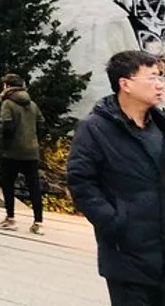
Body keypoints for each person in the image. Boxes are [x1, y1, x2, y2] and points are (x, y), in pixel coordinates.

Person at [68, 51, 165, 305]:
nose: (160, 84)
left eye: (161, 77)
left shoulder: (160, 124)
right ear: (126, 84)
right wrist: (114, 222)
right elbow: (81, 182)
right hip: (127, 256)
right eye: (152, 77)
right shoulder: (95, 128)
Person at [0, 73, 45, 235]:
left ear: (7, 86)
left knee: (8, 184)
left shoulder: (8, 104)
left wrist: (5, 146)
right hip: (32, 150)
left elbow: (7, 127)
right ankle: (38, 221)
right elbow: (41, 125)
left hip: (12, 152)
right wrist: (34, 140)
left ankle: (10, 218)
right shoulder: (32, 104)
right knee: (34, 187)